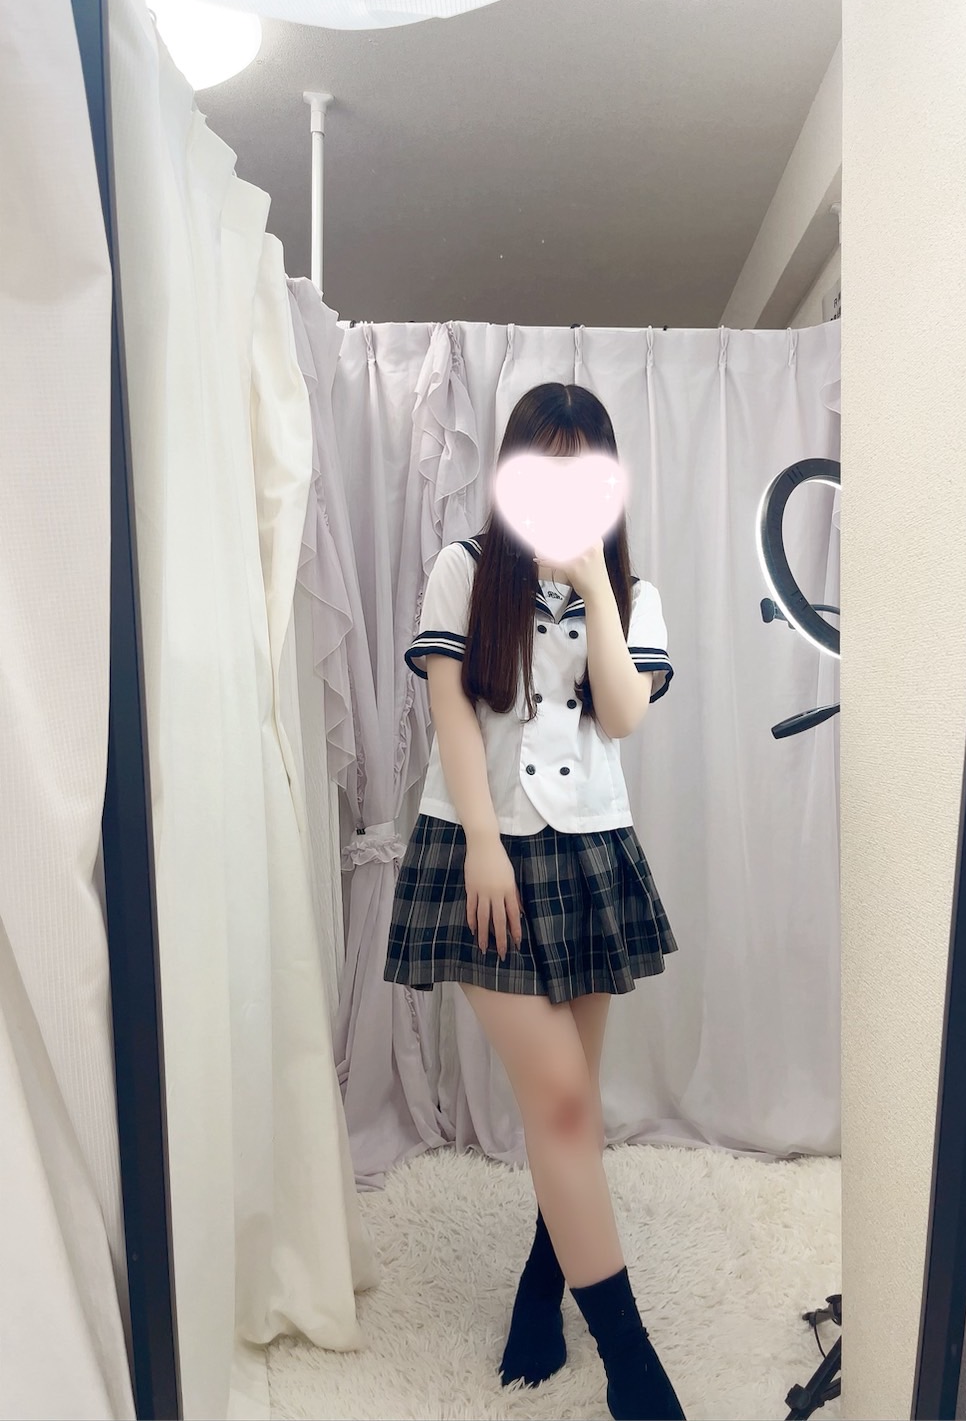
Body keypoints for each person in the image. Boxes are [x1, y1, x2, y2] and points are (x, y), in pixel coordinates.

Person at [384, 383, 684, 1421]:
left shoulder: (633, 593)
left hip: (591, 853)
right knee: (557, 1100)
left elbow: (623, 714)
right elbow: (453, 717)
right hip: (485, 851)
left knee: (573, 1108)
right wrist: (480, 842)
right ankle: (632, 1364)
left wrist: (595, 583)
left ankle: (538, 1285)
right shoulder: (465, 570)